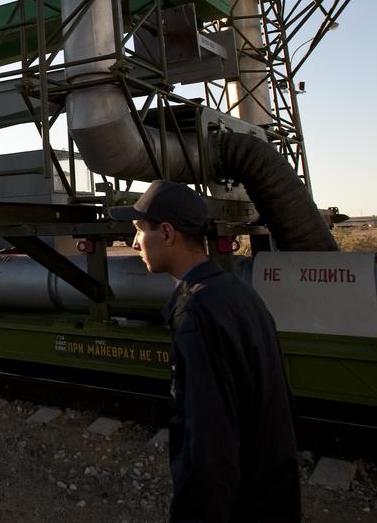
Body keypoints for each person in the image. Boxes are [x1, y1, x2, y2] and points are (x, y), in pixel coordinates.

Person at [111, 180, 301, 522]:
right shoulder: (237, 294)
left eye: (140, 230)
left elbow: (208, 444)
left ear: (167, 233)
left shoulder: (197, 314)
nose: (135, 242)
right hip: (271, 498)